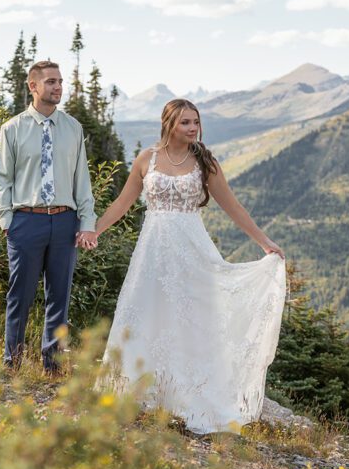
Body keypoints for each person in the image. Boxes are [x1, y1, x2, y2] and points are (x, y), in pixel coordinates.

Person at [88, 98, 286, 434]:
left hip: (192, 249)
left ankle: (187, 395)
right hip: (152, 251)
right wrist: (95, 229)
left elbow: (231, 205)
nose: (193, 128)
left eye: (196, 122)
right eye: (185, 123)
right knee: (145, 312)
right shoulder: (146, 159)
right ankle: (139, 391)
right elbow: (123, 202)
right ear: (168, 124)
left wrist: (263, 241)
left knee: (193, 319)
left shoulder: (204, 162)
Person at [0, 60, 98, 374]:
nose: (57, 87)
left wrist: (87, 222)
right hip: (26, 220)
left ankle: (53, 365)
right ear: (33, 86)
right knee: (20, 295)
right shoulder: (12, 129)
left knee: (59, 297)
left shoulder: (73, 128)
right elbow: (2, 178)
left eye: (60, 81)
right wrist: (7, 222)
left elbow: (82, 180)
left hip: (65, 221)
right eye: (51, 81)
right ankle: (13, 363)